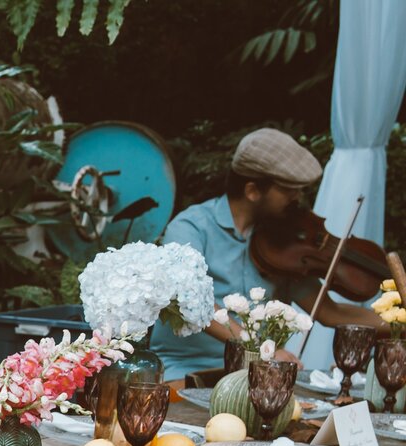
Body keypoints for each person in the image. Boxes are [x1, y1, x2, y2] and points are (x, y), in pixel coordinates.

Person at [150, 128, 384, 382]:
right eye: (288, 190)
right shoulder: (190, 228)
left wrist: (397, 321)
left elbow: (331, 313)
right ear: (252, 191)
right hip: (187, 372)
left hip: (257, 376)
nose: (297, 198)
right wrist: (263, 349)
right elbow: (191, 301)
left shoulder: (284, 242)